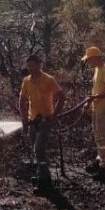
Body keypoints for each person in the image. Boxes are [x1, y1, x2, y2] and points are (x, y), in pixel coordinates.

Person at [19, 54, 65, 189]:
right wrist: (24, 119)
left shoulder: (49, 79)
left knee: (39, 149)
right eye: (29, 66)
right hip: (32, 121)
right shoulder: (26, 81)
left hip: (45, 120)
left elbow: (62, 97)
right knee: (37, 150)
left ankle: (45, 181)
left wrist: (54, 115)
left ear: (39, 65)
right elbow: (22, 100)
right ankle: (43, 175)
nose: (31, 68)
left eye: (33, 65)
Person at [82, 46, 105, 171]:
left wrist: (93, 97)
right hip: (97, 107)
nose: (88, 62)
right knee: (97, 135)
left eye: (89, 59)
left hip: (103, 108)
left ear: (95, 58)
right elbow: (96, 90)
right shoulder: (97, 70)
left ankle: (104, 166)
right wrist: (89, 102)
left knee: (101, 136)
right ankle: (99, 159)